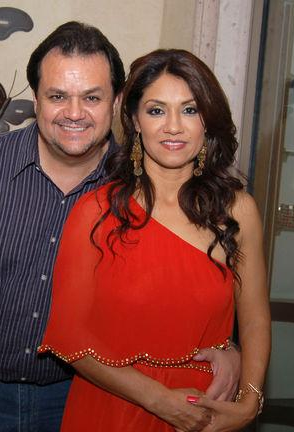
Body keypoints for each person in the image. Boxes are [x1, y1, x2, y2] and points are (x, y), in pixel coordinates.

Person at [0, 22, 240, 431]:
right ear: (35, 99)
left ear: (116, 103)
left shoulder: (142, 184)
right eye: (57, 96)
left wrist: (227, 346)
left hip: (87, 396)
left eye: (92, 97)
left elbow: (188, 281)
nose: (74, 113)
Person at [38, 48, 271, 431]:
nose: (173, 127)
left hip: (203, 414)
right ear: (135, 120)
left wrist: (249, 403)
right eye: (157, 110)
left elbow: (256, 319)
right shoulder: (95, 212)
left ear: (207, 121)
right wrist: (159, 400)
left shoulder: (237, 210)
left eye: (190, 110)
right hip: (110, 408)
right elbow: (67, 336)